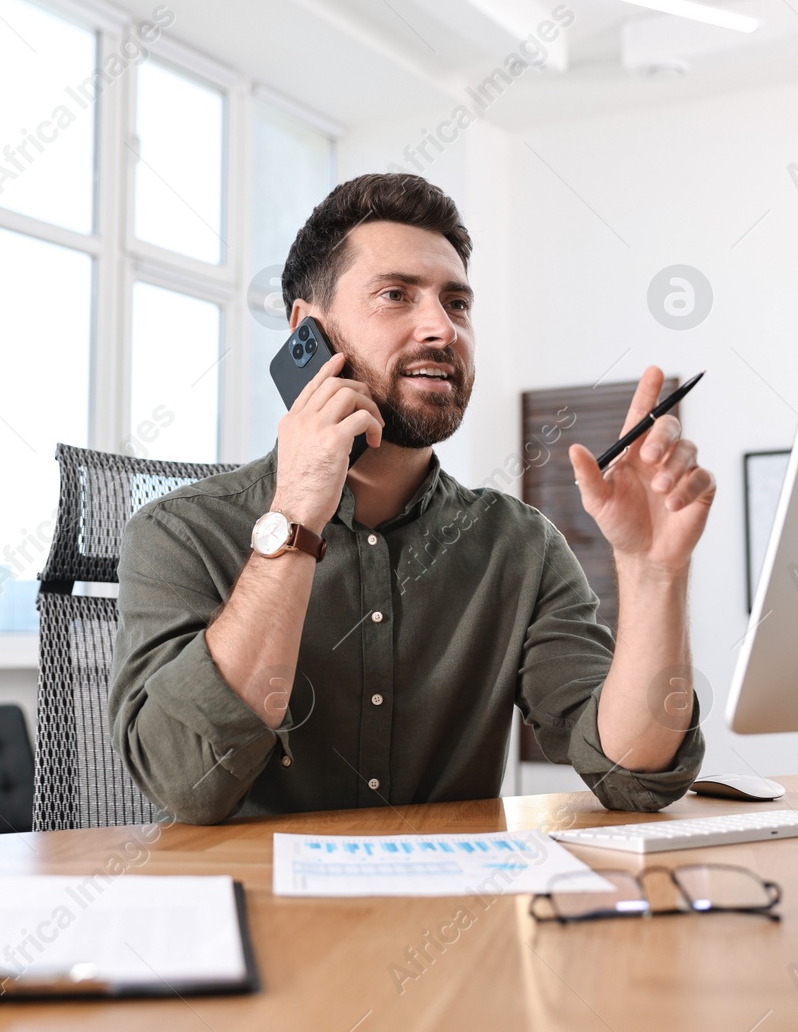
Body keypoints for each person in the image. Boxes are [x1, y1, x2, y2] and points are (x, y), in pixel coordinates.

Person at [110, 173, 715, 824]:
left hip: (458, 920)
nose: (442, 329)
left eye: (457, 304)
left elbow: (633, 774)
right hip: (258, 915)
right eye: (396, 295)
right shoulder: (181, 532)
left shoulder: (519, 546)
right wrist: (294, 518)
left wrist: (655, 574)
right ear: (305, 330)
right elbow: (183, 781)